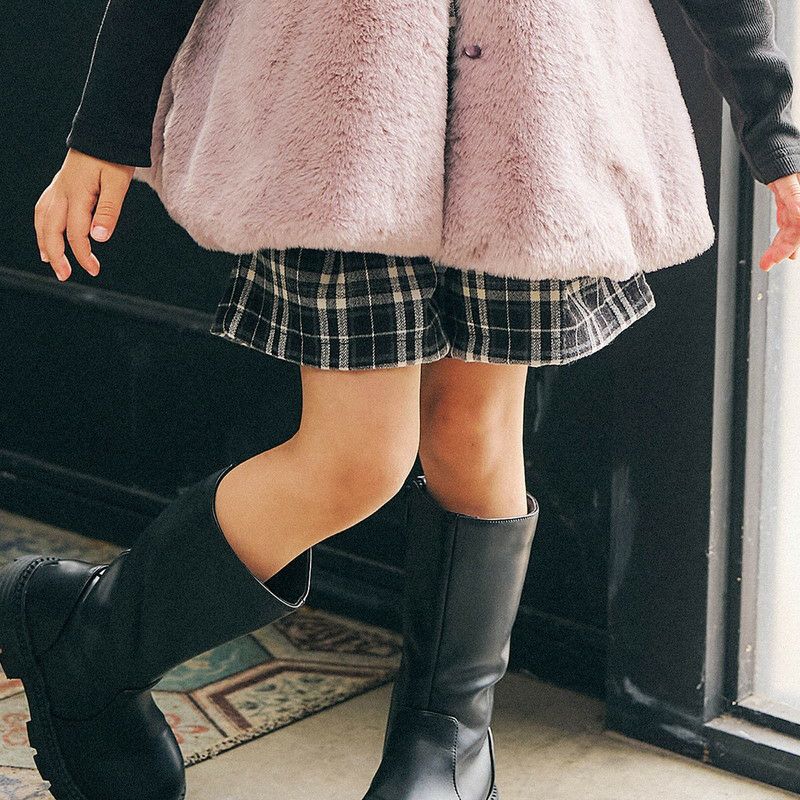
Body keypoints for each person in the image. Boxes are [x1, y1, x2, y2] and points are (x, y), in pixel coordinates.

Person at [3, 1, 800, 799]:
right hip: (341, 110)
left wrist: (774, 127)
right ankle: (92, 638)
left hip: (535, 111)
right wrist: (105, 130)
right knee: (355, 460)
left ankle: (445, 747)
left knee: (473, 432)